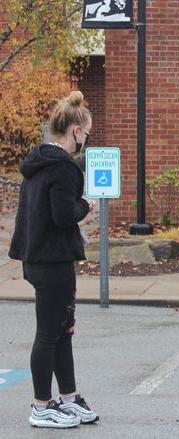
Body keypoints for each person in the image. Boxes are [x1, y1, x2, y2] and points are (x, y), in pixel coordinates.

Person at [9, 91, 99, 428]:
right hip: (53, 261)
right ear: (75, 130)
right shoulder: (63, 169)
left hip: (37, 258)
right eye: (86, 133)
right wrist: (85, 206)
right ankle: (41, 406)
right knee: (50, 333)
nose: (86, 140)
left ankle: (69, 397)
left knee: (63, 330)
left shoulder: (38, 163)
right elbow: (63, 216)